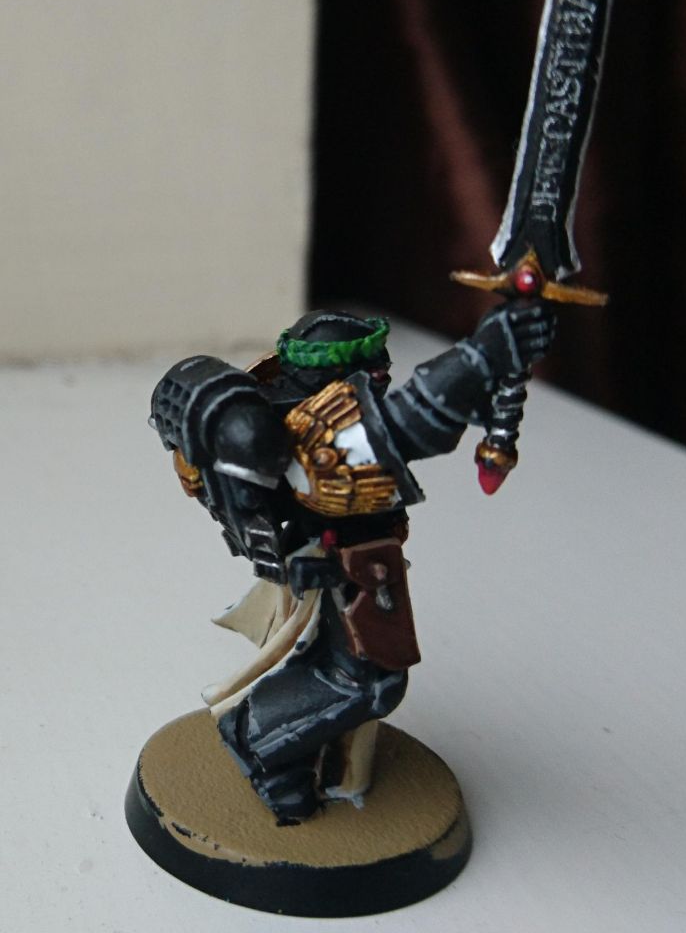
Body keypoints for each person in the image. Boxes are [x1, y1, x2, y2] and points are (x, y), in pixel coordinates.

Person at [150, 301, 554, 823]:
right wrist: (486, 353)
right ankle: (259, 742)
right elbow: (415, 420)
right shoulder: (320, 429)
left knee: (344, 668)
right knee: (366, 681)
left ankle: (293, 747)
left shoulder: (305, 415)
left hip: (350, 560)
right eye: (372, 368)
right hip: (338, 566)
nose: (382, 377)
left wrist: (494, 363)